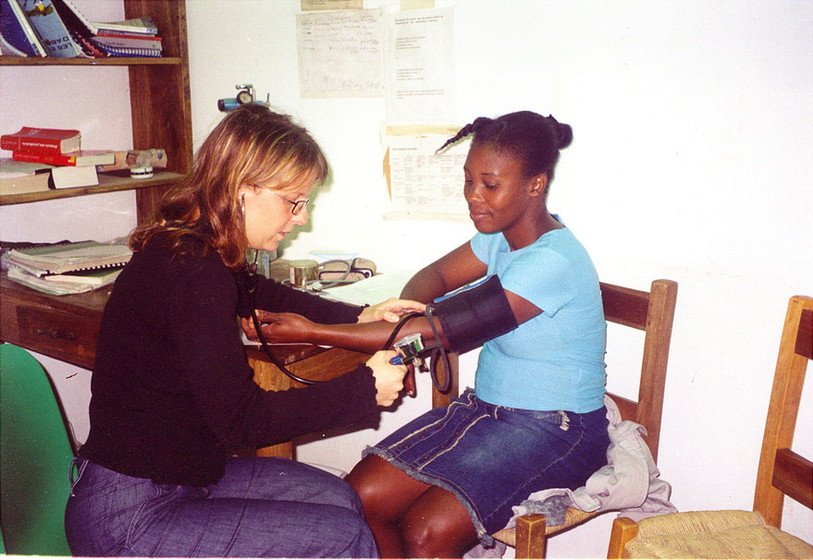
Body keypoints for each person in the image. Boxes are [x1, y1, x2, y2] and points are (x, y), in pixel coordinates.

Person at [64, 103, 424, 558]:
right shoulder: (192, 270)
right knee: (343, 535)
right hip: (128, 517)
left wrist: (359, 314)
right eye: (293, 201)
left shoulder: (197, 249)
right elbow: (242, 423)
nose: (301, 218)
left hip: (181, 477)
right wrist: (364, 388)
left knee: (340, 499)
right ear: (241, 190)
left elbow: (259, 291)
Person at [248, 110, 611, 557]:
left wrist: (314, 329)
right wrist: (414, 316)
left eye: (490, 184)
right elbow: (434, 276)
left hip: (557, 429)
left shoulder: (552, 262)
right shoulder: (500, 238)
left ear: (535, 184)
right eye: (468, 181)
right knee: (353, 501)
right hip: (486, 412)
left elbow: (435, 332)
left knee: (426, 531)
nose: (473, 197)